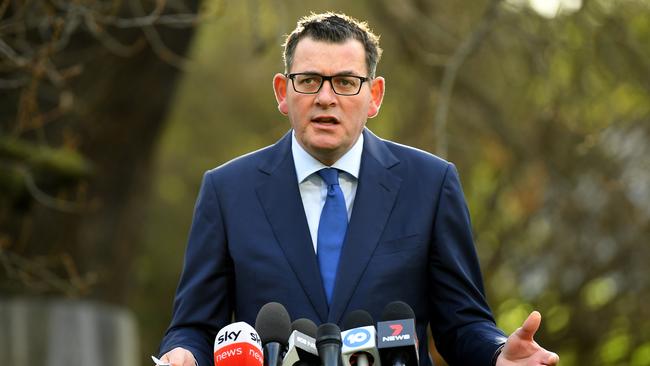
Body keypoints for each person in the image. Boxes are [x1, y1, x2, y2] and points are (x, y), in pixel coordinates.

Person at [158, 12, 559, 366]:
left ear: (375, 95)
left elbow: (462, 324)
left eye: (346, 82)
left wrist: (495, 352)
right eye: (310, 80)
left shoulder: (431, 185)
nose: (326, 98)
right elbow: (194, 327)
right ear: (283, 92)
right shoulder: (227, 191)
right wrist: (184, 356)